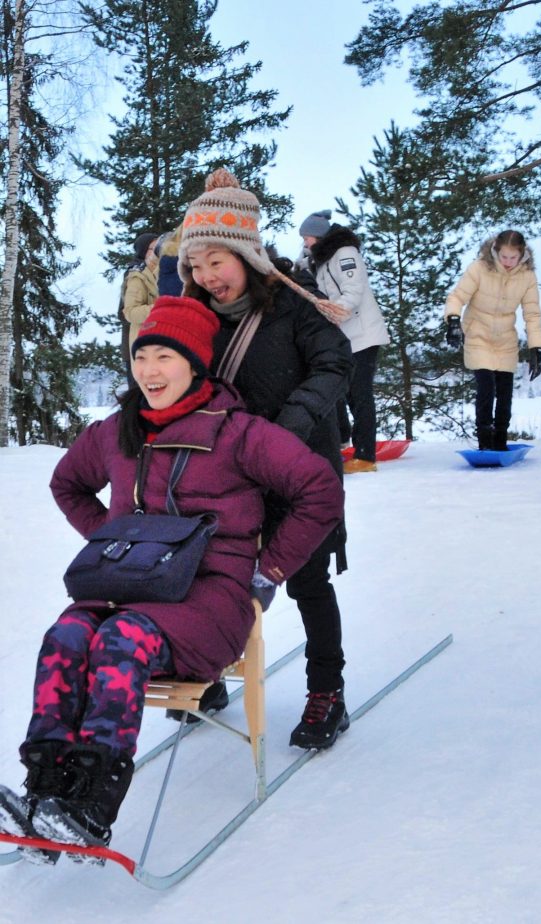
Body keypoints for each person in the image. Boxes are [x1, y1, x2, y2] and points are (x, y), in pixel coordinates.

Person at [0, 296, 343, 861]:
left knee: (119, 640)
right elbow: (68, 484)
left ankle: (92, 809)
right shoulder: (116, 432)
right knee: (63, 638)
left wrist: (270, 569)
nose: (150, 371)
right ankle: (45, 796)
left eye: (164, 356)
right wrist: (110, 540)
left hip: (210, 594)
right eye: (142, 357)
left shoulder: (241, 433)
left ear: (194, 365)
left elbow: (321, 491)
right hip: (126, 583)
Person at [179, 169, 355, 750]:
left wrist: (285, 433)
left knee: (306, 580)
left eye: (215, 263)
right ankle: (210, 670)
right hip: (223, 479)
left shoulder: (292, 303)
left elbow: (334, 365)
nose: (206, 277)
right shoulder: (192, 316)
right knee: (214, 579)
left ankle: (326, 692)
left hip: (296, 470)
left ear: (246, 253)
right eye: (195, 266)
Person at [298, 210, 390, 474]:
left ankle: (365, 456)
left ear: (320, 236)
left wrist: (329, 316)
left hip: (363, 334)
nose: (305, 243)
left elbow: (353, 291)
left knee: (360, 395)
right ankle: (348, 443)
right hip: (347, 336)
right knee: (345, 394)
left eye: (307, 238)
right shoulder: (323, 259)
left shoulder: (345, 254)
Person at [444, 230, 541, 450]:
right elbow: (457, 296)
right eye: (504, 257)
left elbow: (532, 313)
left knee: (505, 392)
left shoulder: (527, 276)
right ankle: (484, 440)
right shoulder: (480, 268)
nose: (508, 262)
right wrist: (453, 320)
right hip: (478, 334)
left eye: (513, 258)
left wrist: (536, 349)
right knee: (486, 387)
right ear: (496, 252)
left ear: (522, 255)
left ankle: (500, 440)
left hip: (505, 340)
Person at [118, 232, 159, 376]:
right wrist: (162, 309)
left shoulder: (163, 271)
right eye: (151, 248)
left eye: (158, 247)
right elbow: (127, 312)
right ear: (143, 251)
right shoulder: (136, 275)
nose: (157, 251)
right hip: (140, 342)